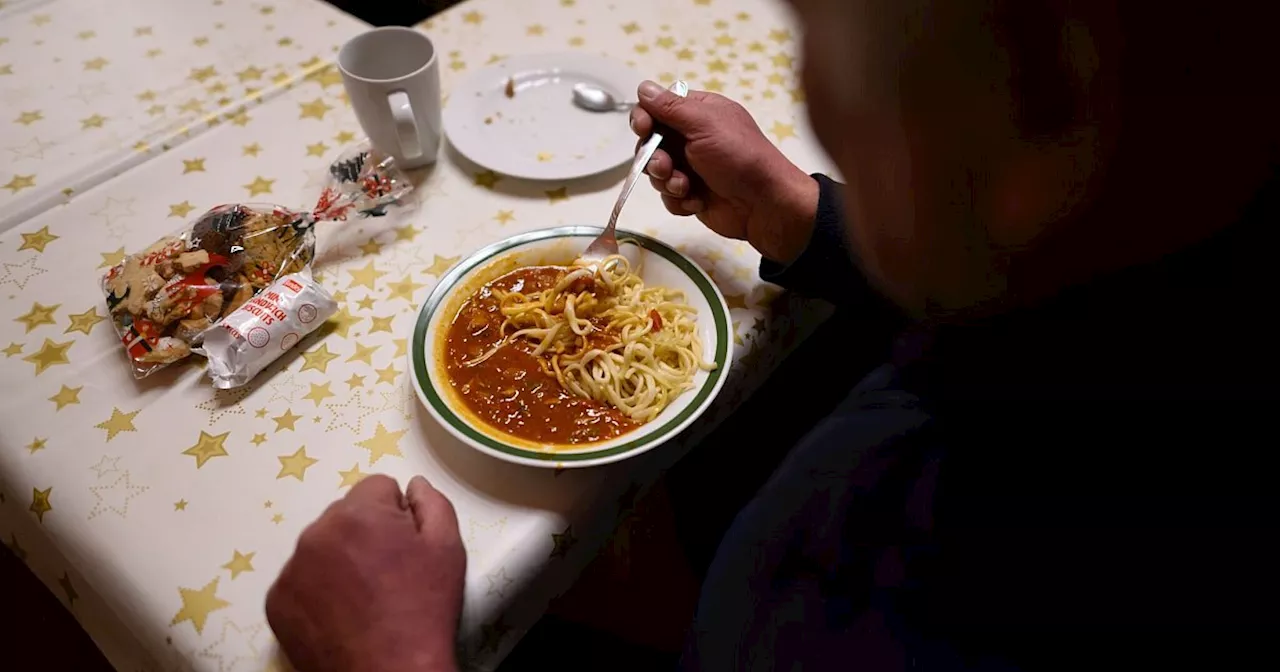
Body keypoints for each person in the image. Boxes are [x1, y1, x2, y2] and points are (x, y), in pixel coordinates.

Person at [267, 1, 1279, 669]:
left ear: (1046, 93)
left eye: (812, 29)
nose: (812, 101)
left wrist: (393, 659)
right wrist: (807, 218)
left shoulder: (868, 594)